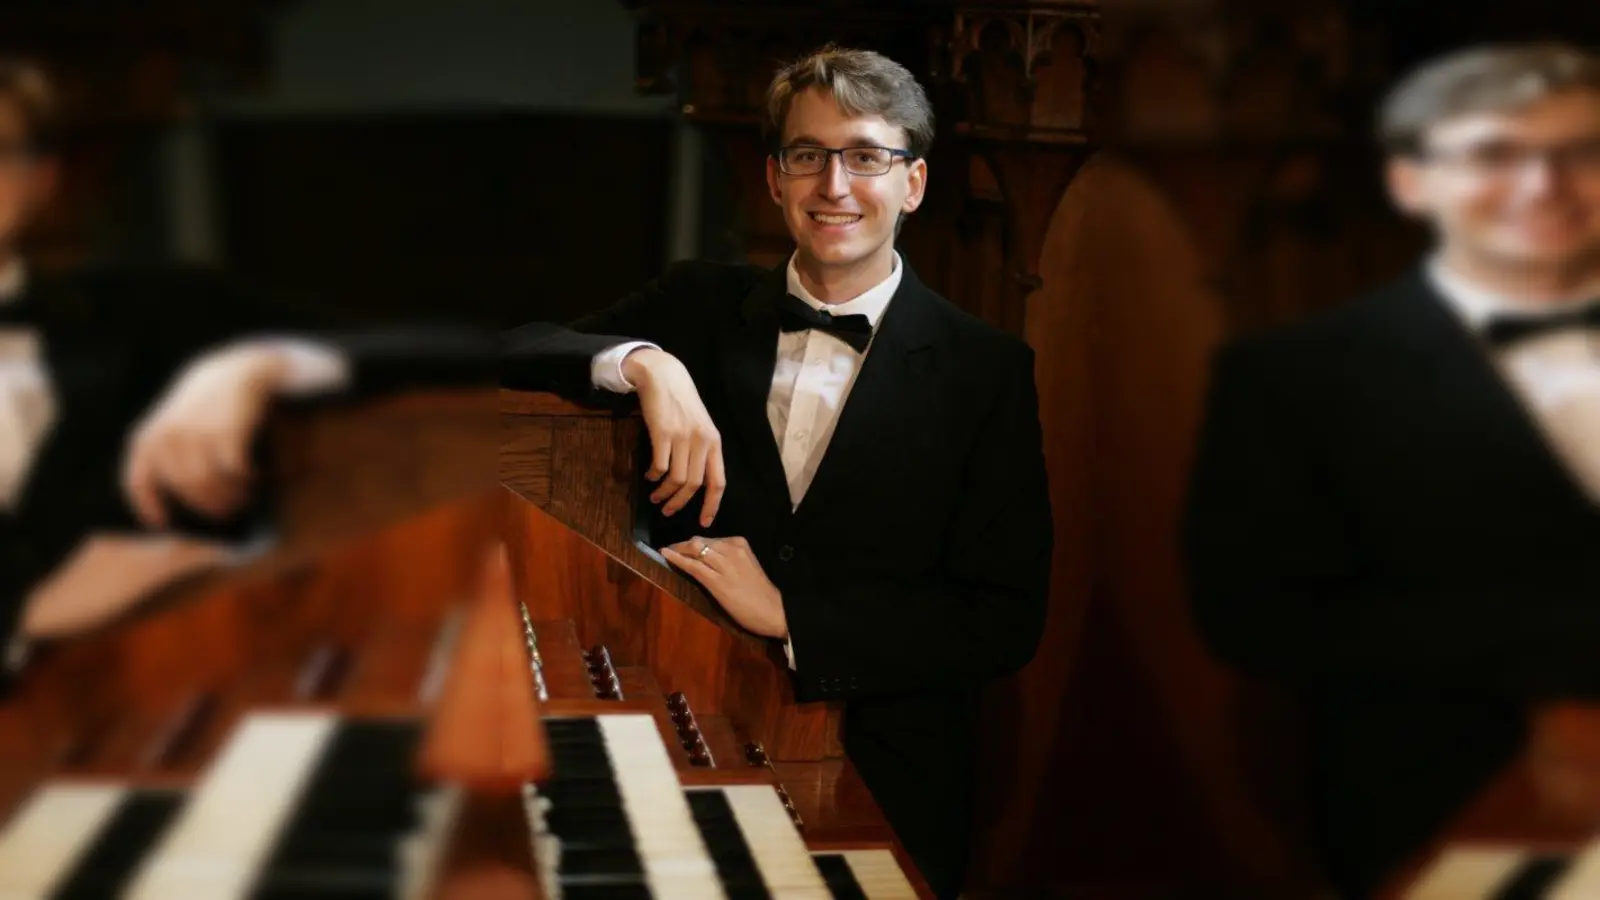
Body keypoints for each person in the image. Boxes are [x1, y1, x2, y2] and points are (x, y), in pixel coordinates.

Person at [503, 45, 1053, 897]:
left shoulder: (986, 372)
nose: (834, 185)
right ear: (774, 178)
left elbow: (1002, 620)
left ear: (912, 183)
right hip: (681, 746)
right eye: (809, 156)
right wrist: (648, 363)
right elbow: (516, 347)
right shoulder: (695, 306)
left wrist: (794, 616)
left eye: (866, 156)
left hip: (884, 774)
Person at [1182, 42, 1600, 898]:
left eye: (1582, 152)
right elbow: (1251, 616)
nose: (1543, 185)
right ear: (1413, 181)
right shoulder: (1294, 374)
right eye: (1494, 155)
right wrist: (1554, 656)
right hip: (1441, 812)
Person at [0, 60, 492, 676]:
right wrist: (20, 620)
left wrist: (260, 363)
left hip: (171, 695)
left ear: (41, 178)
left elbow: (451, 349)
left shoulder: (157, 309)